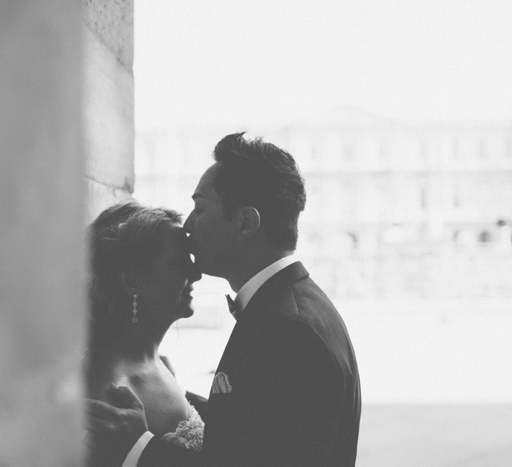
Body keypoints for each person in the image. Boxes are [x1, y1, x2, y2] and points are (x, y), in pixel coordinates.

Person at [88, 133, 362, 466]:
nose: (189, 225)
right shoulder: (291, 309)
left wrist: (141, 448)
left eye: (200, 208)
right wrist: (186, 407)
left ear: (246, 222)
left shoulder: (290, 330)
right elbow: (257, 433)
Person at [85, 201, 204, 466]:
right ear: (131, 281)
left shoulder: (158, 363)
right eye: (179, 263)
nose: (196, 274)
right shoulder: (113, 389)